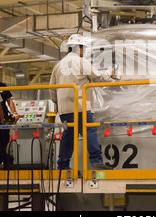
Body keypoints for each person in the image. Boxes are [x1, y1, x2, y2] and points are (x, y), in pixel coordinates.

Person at [49, 34, 119, 170]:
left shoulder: (57, 66)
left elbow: (52, 89)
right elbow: (97, 76)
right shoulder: (81, 62)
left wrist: (57, 104)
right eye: (83, 48)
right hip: (80, 106)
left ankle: (62, 165)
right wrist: (110, 74)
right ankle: (96, 161)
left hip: (64, 109)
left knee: (69, 135)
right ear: (79, 48)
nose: (83, 51)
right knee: (89, 131)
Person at [0, 64, 19, 169]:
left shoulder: (2, 86)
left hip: (4, 115)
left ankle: (1, 160)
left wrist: (14, 112)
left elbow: (9, 100)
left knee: (4, 139)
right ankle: (0, 161)